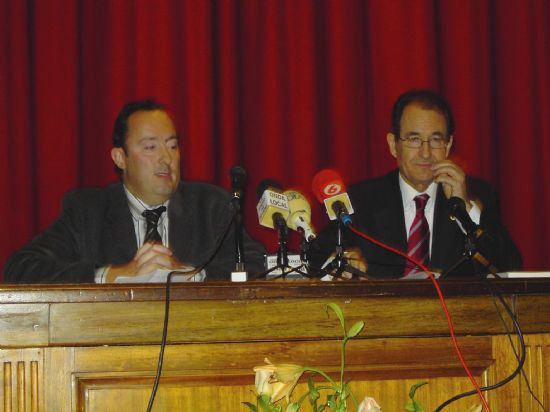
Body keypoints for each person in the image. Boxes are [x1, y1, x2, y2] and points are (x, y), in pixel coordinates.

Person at [4, 99, 265, 283]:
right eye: (150, 148)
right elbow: (21, 268)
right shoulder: (87, 211)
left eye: (172, 146)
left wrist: (192, 275)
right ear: (120, 157)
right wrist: (110, 275)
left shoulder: (210, 205)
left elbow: (257, 263)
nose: (166, 158)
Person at [312, 90, 522, 278]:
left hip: (456, 318)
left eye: (436, 140)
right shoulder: (360, 200)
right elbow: (314, 260)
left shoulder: (477, 193)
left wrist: (465, 207)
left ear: (448, 146)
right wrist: (341, 259)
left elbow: (510, 266)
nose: (425, 152)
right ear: (393, 145)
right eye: (414, 139)